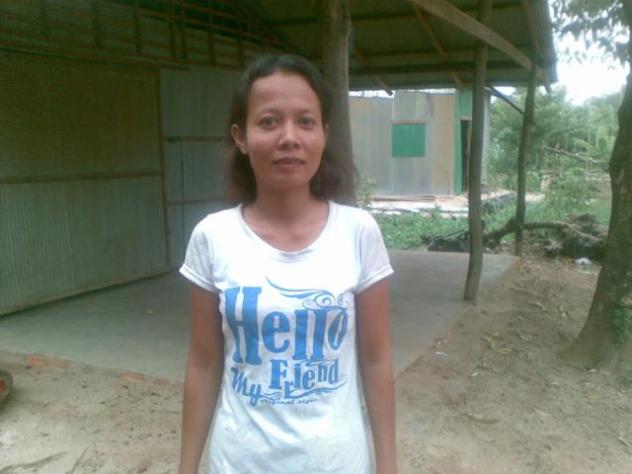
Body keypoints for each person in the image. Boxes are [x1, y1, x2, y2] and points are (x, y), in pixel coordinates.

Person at [178, 54, 397, 474]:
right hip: (239, 462)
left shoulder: (358, 232)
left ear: (324, 134)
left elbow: (376, 359)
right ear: (241, 137)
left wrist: (388, 466)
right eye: (269, 122)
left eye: (306, 122)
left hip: (337, 463)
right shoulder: (212, 237)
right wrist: (186, 468)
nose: (289, 137)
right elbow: (203, 363)